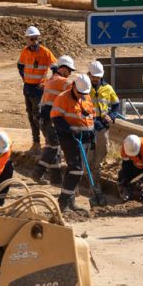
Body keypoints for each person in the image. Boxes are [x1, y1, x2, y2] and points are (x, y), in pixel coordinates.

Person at [50, 73, 97, 214]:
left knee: (77, 170)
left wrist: (92, 137)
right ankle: (64, 202)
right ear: (74, 86)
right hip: (70, 139)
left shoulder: (86, 97)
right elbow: (56, 119)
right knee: (76, 169)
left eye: (84, 93)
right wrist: (71, 130)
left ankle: (70, 201)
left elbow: (91, 116)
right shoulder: (62, 98)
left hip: (85, 139)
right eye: (79, 92)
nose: (81, 95)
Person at [32, 55, 76, 184]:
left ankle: (55, 178)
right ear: (62, 68)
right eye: (69, 70)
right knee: (54, 147)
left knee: (54, 148)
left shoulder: (51, 79)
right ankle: (38, 172)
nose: (70, 74)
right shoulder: (62, 81)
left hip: (45, 118)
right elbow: (75, 89)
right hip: (51, 119)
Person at [18, 26, 56, 153]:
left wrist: (47, 82)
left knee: (38, 116)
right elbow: (20, 65)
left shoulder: (45, 52)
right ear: (27, 39)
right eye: (31, 39)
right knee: (30, 115)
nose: (33, 41)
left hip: (39, 89)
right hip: (28, 88)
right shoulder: (25, 51)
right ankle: (36, 142)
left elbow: (56, 69)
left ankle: (49, 142)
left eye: (35, 39)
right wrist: (24, 79)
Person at [87, 60, 121, 177]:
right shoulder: (83, 87)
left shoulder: (108, 88)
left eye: (98, 77)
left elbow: (116, 105)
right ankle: (86, 179)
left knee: (102, 151)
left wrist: (111, 116)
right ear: (89, 74)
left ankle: (96, 176)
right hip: (87, 125)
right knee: (88, 154)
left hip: (102, 125)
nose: (96, 79)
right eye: (94, 77)